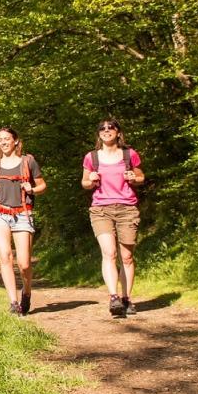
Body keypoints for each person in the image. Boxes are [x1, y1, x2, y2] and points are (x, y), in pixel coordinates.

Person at [81, 118, 145, 317]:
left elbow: (141, 177)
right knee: (109, 253)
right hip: (101, 209)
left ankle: (126, 298)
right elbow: (84, 183)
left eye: (111, 128)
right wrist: (89, 180)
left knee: (126, 256)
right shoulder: (92, 157)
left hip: (127, 208)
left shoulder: (129, 154)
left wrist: (135, 178)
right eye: (102, 128)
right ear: (98, 133)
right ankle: (113, 297)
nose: (106, 130)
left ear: (118, 132)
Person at [0, 126, 46, 316]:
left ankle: (26, 292)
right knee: (5, 257)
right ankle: (13, 302)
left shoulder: (28, 161)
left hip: (23, 214)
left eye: (7, 139)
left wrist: (32, 189)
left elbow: (42, 186)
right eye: (0, 140)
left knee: (24, 264)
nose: (3, 142)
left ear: (16, 141)